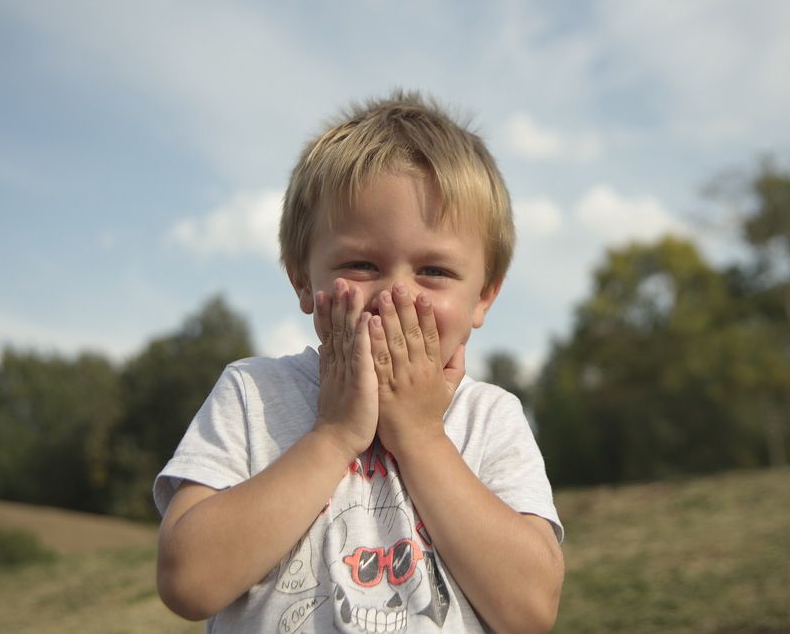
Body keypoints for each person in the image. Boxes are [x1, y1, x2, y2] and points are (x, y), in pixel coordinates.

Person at [154, 90, 564, 633]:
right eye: (362, 264)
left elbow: (531, 610)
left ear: (483, 296)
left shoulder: (489, 418)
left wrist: (421, 437)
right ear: (303, 279)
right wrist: (334, 434)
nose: (397, 294)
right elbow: (188, 582)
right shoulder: (254, 393)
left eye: (434, 271)